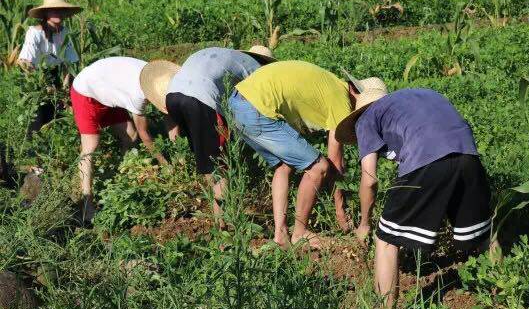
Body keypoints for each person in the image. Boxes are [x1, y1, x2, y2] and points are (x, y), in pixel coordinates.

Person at [335, 87, 491, 309]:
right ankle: (506, 297)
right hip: (469, 157)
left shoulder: (366, 118)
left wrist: (365, 223)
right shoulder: (420, 96)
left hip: (427, 162)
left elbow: (369, 179)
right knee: (485, 235)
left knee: (386, 239)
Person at [229, 60, 385, 248]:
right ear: (355, 93)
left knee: (283, 166)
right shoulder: (341, 98)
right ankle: (300, 233)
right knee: (318, 167)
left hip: (238, 103)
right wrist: (340, 211)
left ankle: (280, 235)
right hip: (256, 108)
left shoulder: (332, 84)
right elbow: (335, 162)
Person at [139, 46, 275, 220]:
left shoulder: (228, 56)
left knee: (206, 159)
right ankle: (229, 217)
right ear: (265, 63)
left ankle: (218, 215)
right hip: (200, 99)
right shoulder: (256, 70)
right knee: (222, 161)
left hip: (172, 96)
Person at [71, 56, 174, 221]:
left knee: (130, 136)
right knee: (91, 146)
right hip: (86, 91)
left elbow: (169, 116)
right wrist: (165, 165)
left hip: (106, 88)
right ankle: (87, 204)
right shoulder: (138, 95)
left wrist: (178, 149)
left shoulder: (156, 75)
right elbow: (145, 135)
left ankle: (120, 173)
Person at [17, 0, 81, 135]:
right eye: (53, 9)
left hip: (55, 77)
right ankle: (32, 155)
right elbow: (24, 62)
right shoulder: (35, 32)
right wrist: (43, 84)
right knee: (37, 122)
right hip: (35, 78)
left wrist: (64, 89)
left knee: (56, 120)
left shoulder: (65, 32)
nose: (57, 12)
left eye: (60, 9)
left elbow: (68, 64)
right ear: (45, 13)